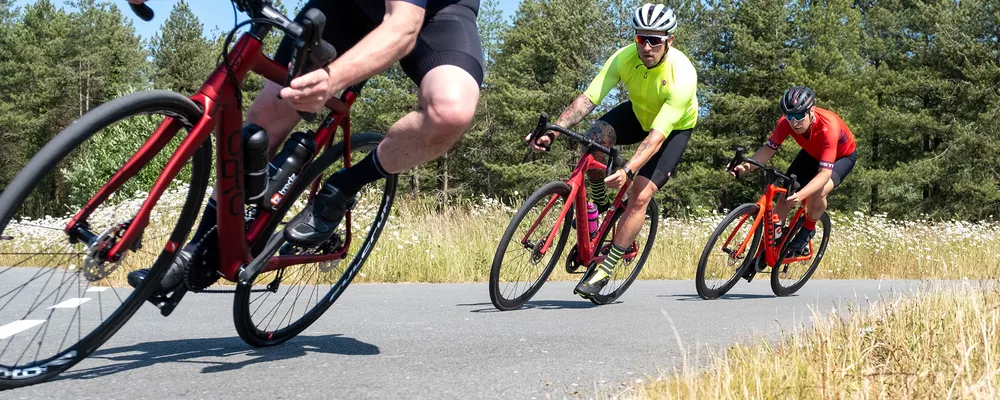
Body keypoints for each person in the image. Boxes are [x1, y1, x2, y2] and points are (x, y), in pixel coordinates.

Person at [126, 0, 484, 293]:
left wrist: (331, 80)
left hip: (434, 16)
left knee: (449, 111)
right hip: (345, 8)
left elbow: (403, 27)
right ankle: (202, 245)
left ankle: (342, 187)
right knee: (267, 114)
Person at [526, 3, 698, 299]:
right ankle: (598, 203)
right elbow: (587, 100)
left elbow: (656, 137)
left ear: (670, 40)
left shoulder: (682, 76)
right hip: (638, 114)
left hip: (671, 130)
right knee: (593, 139)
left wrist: (629, 169)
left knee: (640, 195)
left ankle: (608, 265)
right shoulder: (624, 58)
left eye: (655, 40)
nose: (646, 46)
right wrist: (552, 130)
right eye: (641, 38)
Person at [730, 86, 858, 253]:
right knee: (785, 195)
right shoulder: (786, 123)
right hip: (812, 153)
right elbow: (767, 150)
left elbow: (825, 174)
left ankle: (808, 229)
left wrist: (802, 195)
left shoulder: (829, 127)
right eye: (790, 117)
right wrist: (746, 167)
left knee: (817, 192)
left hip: (841, 157)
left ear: (811, 110)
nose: (794, 122)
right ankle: (769, 250)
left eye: (799, 116)